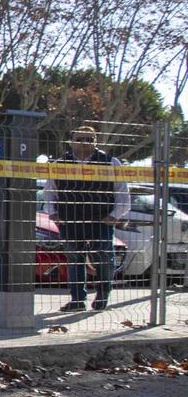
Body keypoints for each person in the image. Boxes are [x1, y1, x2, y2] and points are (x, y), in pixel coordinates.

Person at [47, 126, 130, 312]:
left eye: (88, 139)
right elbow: (49, 192)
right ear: (71, 141)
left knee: (104, 259)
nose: (83, 142)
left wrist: (113, 217)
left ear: (95, 142)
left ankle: (103, 295)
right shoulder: (60, 163)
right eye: (79, 139)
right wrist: (53, 213)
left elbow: (122, 195)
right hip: (69, 221)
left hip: (100, 221)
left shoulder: (110, 163)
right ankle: (77, 300)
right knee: (75, 259)